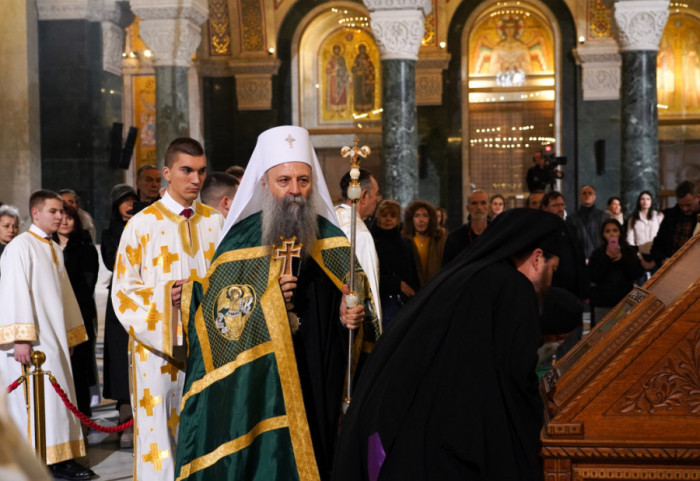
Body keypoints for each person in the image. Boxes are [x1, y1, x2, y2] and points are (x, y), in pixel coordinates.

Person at [175, 125, 380, 481]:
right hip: (260, 381)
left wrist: (350, 313)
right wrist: (268, 299)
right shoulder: (241, 239)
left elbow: (352, 296)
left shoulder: (329, 236)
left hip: (316, 371)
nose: (294, 191)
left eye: (303, 180)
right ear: (264, 184)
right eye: (283, 180)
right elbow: (217, 317)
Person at [332, 208, 566, 481]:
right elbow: (515, 377)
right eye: (553, 269)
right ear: (538, 258)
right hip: (443, 446)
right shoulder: (512, 287)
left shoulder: (466, 274)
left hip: (401, 433)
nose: (551, 281)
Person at [111, 138, 224, 480]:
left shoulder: (215, 223)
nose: (196, 179)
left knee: (205, 424)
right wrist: (165, 298)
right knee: (159, 432)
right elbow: (124, 293)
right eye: (186, 170)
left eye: (201, 171)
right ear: (167, 172)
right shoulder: (140, 226)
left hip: (205, 346)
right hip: (155, 352)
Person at [0, 190, 92, 480]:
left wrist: (70, 335)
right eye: (53, 211)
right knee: (43, 402)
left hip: (54, 339)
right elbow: (14, 291)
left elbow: (64, 297)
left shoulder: (53, 248)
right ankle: (47, 462)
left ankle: (63, 458)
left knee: (59, 399)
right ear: (36, 213)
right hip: (33, 342)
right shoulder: (20, 246)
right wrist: (21, 338)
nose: (60, 217)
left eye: (62, 212)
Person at [100, 184, 138, 449]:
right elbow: (113, 261)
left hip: (142, 298)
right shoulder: (110, 232)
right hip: (119, 301)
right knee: (119, 357)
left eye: (132, 200)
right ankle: (125, 416)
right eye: (124, 201)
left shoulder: (146, 224)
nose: (129, 205)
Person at [56, 204, 99, 420]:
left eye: (69, 217)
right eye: (59, 216)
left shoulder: (85, 249)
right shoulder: (45, 247)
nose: (64, 221)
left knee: (80, 371)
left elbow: (87, 286)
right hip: (53, 320)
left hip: (79, 317)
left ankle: (82, 418)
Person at [336, 168, 382, 324]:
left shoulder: (330, 221)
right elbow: (370, 295)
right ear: (363, 196)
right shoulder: (360, 234)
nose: (378, 200)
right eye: (376, 194)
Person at [370, 200, 419, 330]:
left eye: (392, 216)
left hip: (405, 301)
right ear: (378, 217)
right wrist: (395, 284)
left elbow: (412, 272)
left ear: (398, 220)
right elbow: (370, 273)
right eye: (384, 215)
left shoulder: (405, 243)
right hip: (382, 301)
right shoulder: (371, 241)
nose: (388, 219)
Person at [588, 219, 644, 322]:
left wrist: (623, 259)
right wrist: (607, 257)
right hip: (603, 301)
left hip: (624, 301)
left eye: (615, 230)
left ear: (620, 232)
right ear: (603, 234)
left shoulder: (629, 251)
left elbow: (637, 273)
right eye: (608, 231)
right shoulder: (598, 253)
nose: (612, 234)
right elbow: (593, 276)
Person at [650, 180, 700, 267]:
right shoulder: (671, 215)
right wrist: (662, 260)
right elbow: (657, 245)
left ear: (698, 197)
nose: (684, 209)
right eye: (681, 205)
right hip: (671, 268)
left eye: (688, 205)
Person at [404, 200, 446, 285]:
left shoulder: (440, 238)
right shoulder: (405, 239)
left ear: (431, 219)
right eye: (417, 216)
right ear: (411, 219)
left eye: (425, 216)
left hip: (436, 287)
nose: (421, 220)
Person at [442, 189, 489, 265]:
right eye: (474, 203)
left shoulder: (497, 234)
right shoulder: (454, 238)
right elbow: (447, 269)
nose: (479, 207)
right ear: (467, 208)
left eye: (483, 203)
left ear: (489, 206)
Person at [626, 191, 663, 281]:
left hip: (656, 256)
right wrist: (640, 258)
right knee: (641, 288)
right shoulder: (633, 218)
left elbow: (663, 238)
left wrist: (655, 260)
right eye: (642, 199)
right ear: (639, 201)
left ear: (651, 201)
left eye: (648, 199)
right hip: (640, 256)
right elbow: (630, 240)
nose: (645, 201)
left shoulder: (658, 216)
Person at [567, 185, 607, 260]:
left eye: (590, 193)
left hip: (601, 258)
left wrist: (614, 251)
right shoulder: (571, 218)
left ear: (594, 197)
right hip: (579, 258)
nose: (587, 195)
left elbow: (612, 236)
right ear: (580, 197)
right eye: (584, 193)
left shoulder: (604, 216)